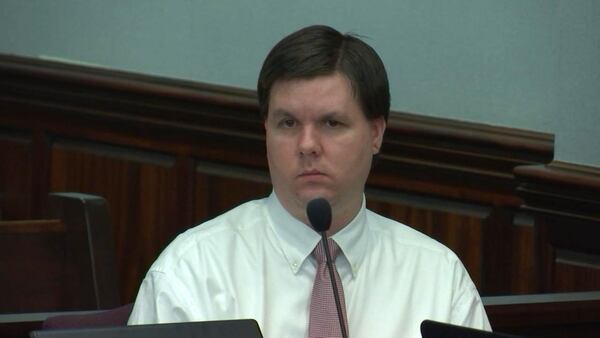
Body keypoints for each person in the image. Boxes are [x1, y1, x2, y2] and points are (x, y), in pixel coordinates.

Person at [128, 24, 491, 338]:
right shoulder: (193, 272)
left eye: (331, 123)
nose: (307, 146)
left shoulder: (437, 279)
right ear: (265, 130)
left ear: (376, 133)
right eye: (287, 124)